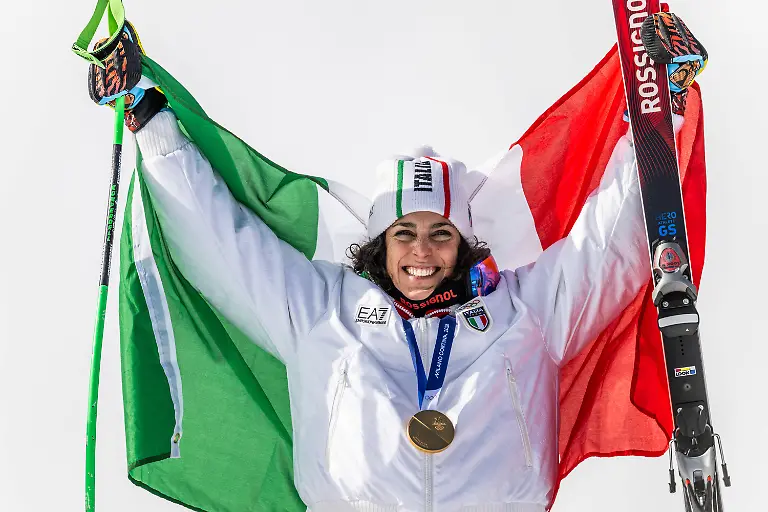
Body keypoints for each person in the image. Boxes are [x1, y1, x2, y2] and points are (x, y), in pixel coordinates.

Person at [89, 12, 706, 512]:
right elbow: (222, 242)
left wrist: (663, 106)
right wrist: (149, 119)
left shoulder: (527, 311)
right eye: (403, 232)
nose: (421, 250)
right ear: (379, 243)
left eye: (441, 233)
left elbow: (609, 244)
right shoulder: (320, 310)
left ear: (464, 243)